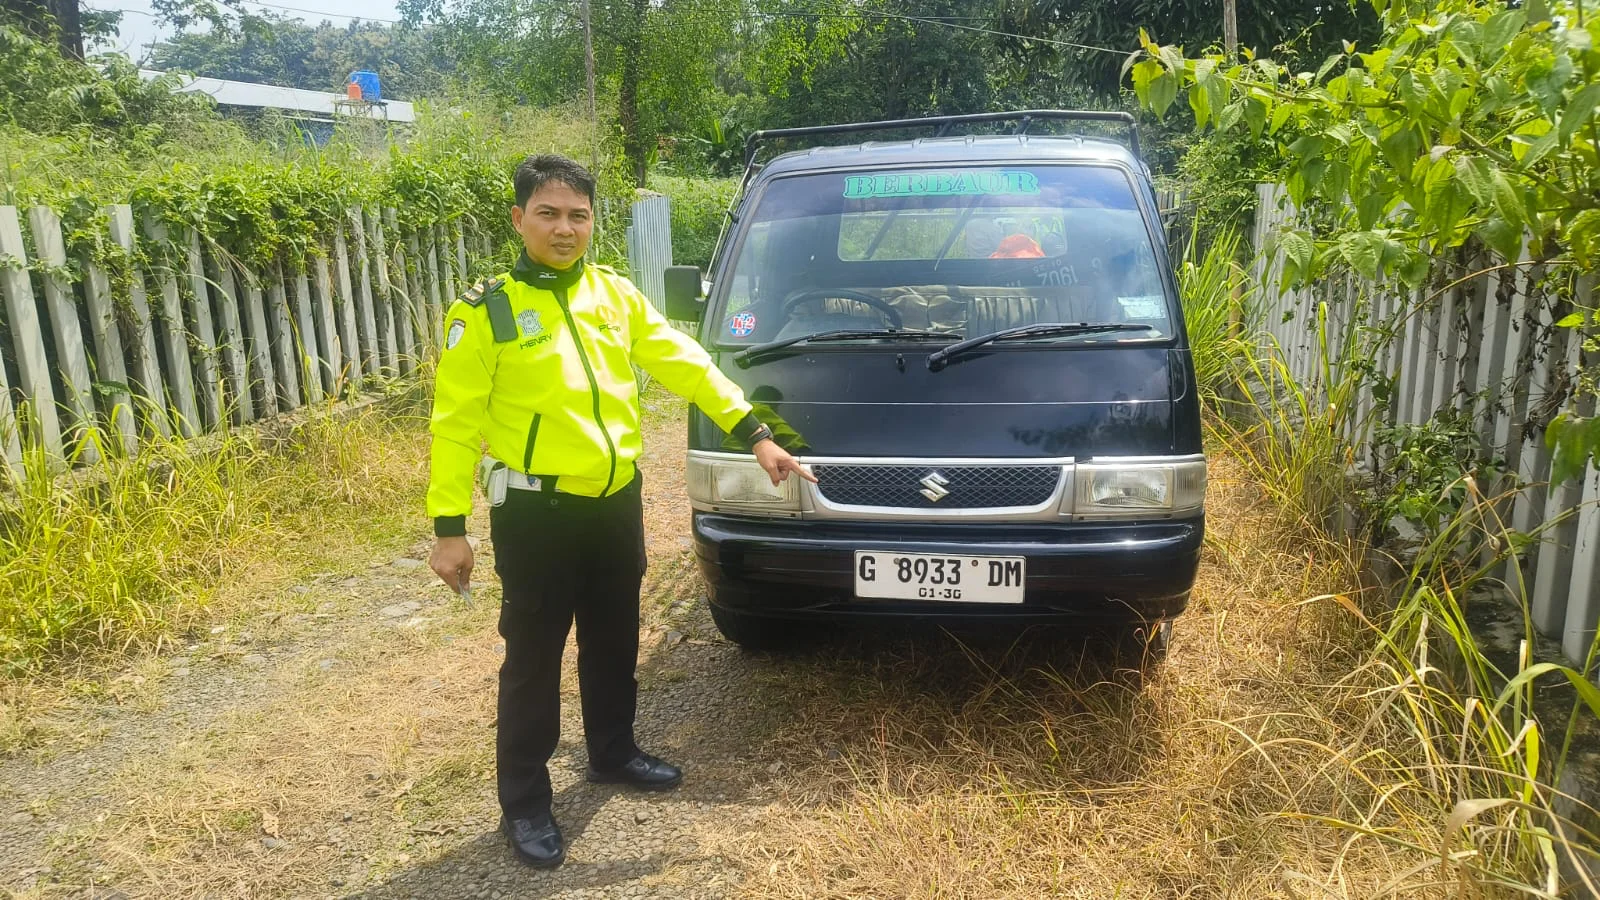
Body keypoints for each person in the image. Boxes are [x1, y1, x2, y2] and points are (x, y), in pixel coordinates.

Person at [426, 154, 815, 869]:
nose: (564, 228)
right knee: (534, 660)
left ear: (592, 222)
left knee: (613, 639)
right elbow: (453, 424)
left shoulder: (613, 294)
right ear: (519, 220)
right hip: (536, 514)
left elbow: (684, 362)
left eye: (578, 214)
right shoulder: (486, 311)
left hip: (613, 503)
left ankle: (611, 752)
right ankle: (526, 802)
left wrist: (755, 433)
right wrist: (449, 529)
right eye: (548, 213)